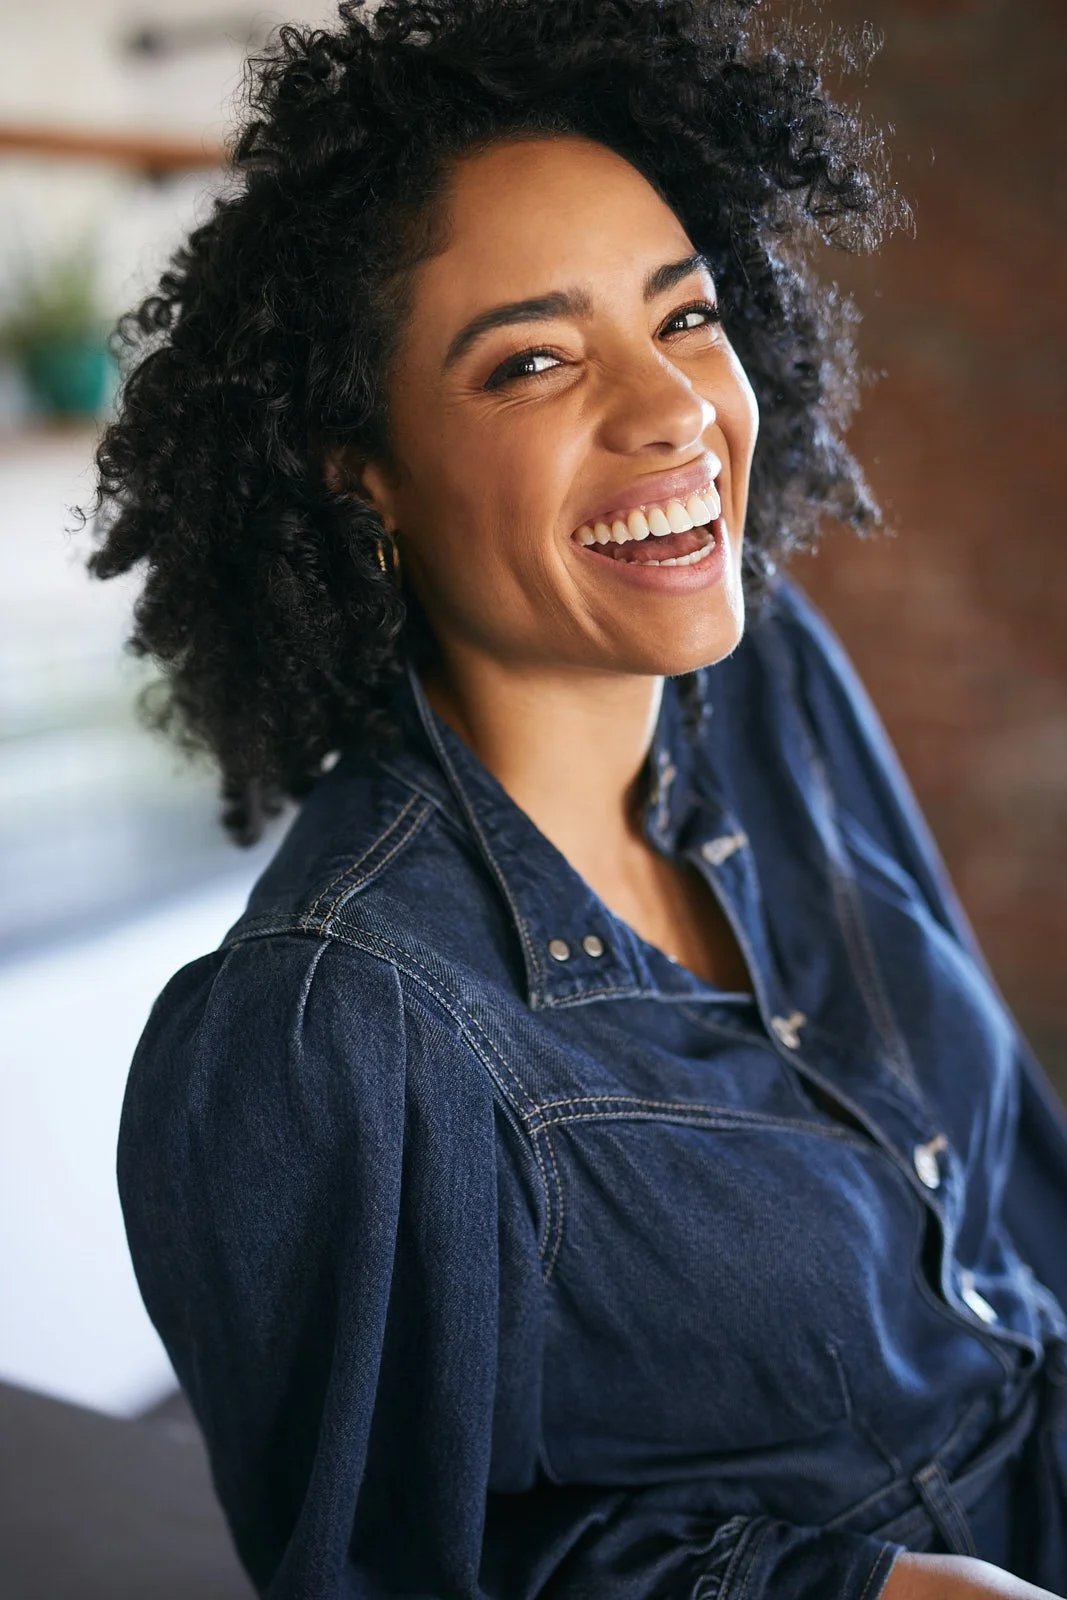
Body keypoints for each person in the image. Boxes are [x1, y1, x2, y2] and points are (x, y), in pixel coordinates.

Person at [84, 0, 1067, 1595]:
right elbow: (402, 1573)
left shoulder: (766, 683)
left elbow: (1006, 1189)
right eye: (532, 359)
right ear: (363, 470)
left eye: (682, 317)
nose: (671, 407)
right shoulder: (332, 1029)